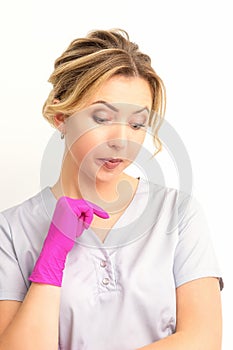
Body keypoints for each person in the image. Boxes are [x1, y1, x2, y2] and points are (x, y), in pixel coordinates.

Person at [0, 29, 223, 350]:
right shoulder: (11, 230)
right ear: (61, 116)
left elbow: (203, 340)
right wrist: (51, 260)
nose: (121, 140)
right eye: (102, 117)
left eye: (137, 124)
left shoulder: (176, 212)